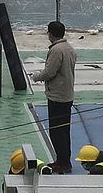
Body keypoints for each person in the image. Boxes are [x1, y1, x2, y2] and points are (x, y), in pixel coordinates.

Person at [27, 21, 77, 173]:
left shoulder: (56, 50)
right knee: (64, 131)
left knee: (56, 132)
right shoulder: (69, 48)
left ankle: (62, 162)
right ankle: (64, 160)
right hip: (67, 95)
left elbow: (49, 72)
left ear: (51, 34)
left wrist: (35, 76)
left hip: (57, 96)